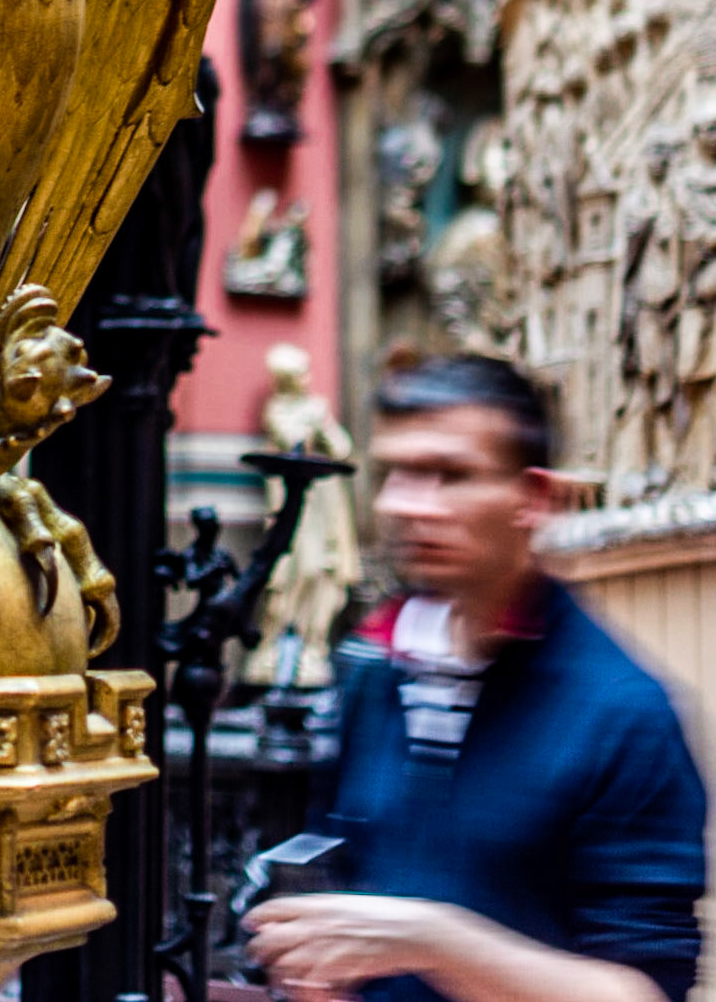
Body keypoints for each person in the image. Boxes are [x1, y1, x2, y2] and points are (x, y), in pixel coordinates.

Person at [245, 354, 706, 1002]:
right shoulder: (373, 669)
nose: (406, 505)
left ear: (534, 498)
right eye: (395, 473)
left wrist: (430, 941)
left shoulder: (622, 711)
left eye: (449, 475)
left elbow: (642, 994)